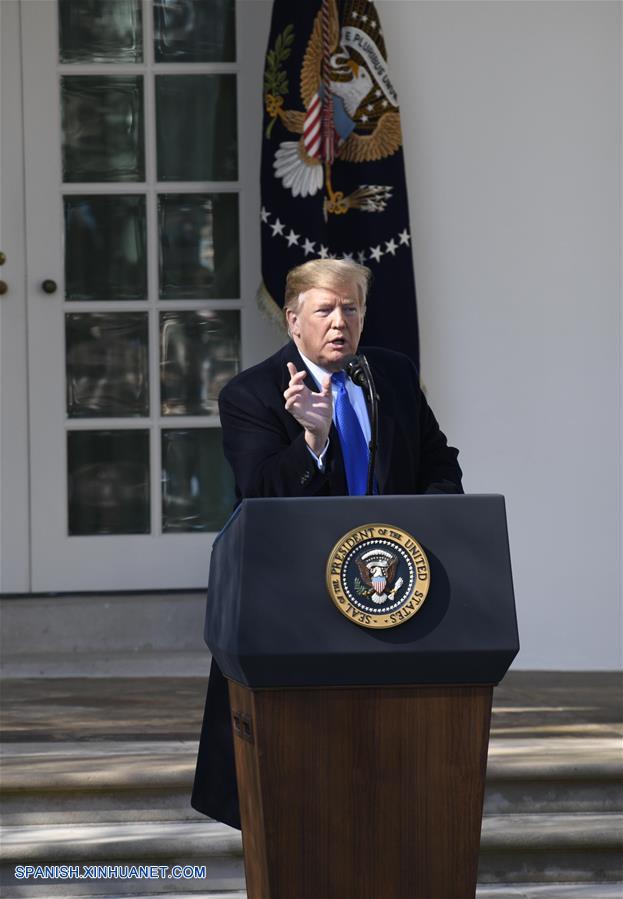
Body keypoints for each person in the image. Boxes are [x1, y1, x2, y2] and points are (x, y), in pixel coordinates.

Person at [191, 257, 463, 828]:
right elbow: (260, 494)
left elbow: (439, 465)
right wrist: (312, 441)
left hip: (390, 596)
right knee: (300, 797)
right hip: (297, 611)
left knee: (388, 785)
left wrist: (424, 527)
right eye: (325, 310)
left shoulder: (391, 375)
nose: (340, 322)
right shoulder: (251, 394)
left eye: (351, 308)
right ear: (293, 320)